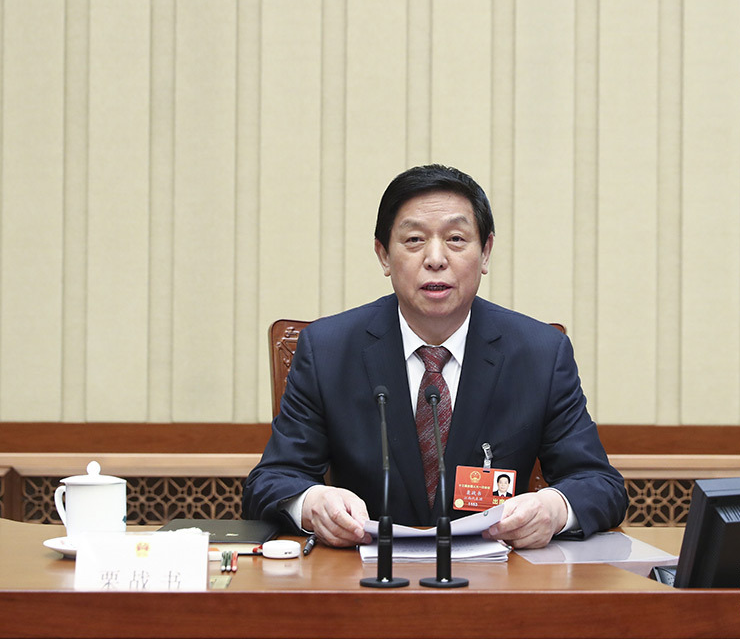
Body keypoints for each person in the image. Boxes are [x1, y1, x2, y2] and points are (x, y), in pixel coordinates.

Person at [243, 164, 627, 549]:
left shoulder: (539, 353)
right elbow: (270, 481)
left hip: (497, 576)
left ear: (486, 252)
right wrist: (313, 503)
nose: (436, 258)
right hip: (362, 572)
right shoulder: (328, 350)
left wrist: (555, 508)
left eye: (456, 239)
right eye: (414, 240)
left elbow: (600, 484)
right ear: (383, 255)